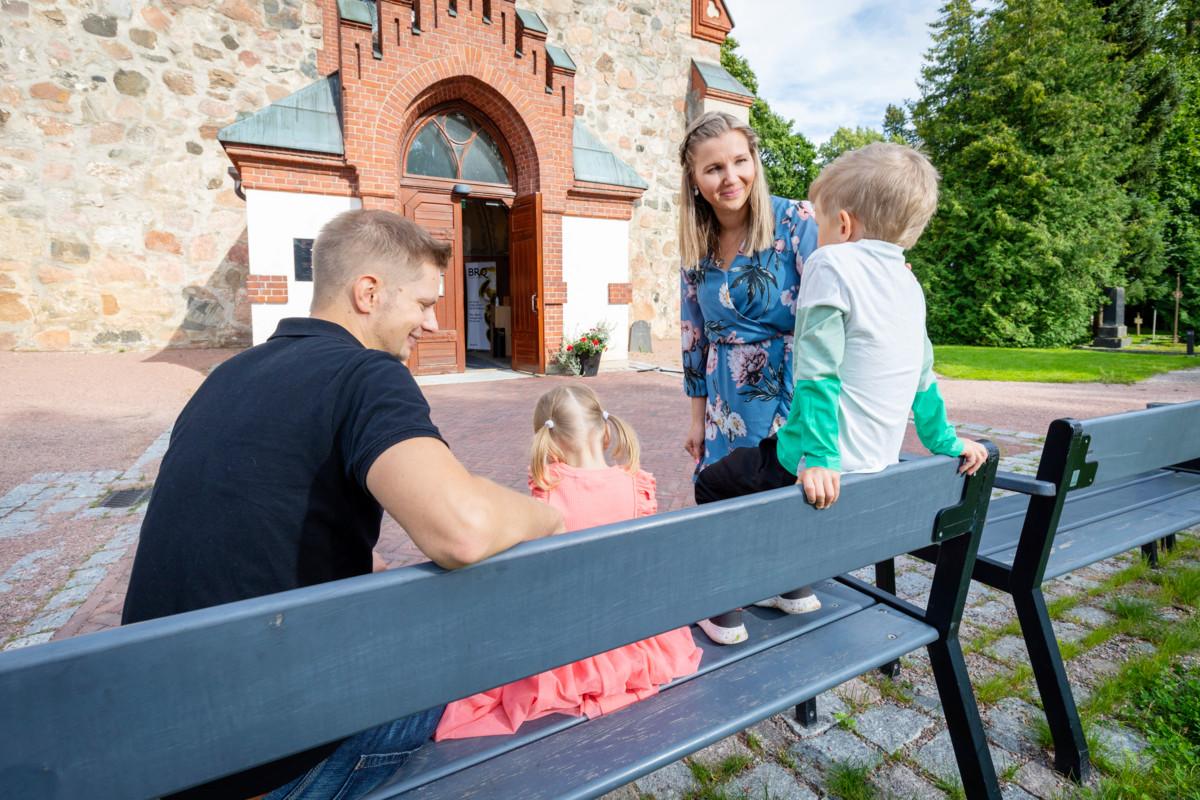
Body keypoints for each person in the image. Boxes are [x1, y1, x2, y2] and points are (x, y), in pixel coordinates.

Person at [120, 210, 564, 800]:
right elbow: (462, 531)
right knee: (478, 626)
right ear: (369, 292)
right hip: (273, 766)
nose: (432, 323)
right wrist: (551, 515)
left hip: (149, 741)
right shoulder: (365, 374)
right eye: (425, 303)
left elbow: (265, 526)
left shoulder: (226, 376)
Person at [694, 142, 990, 643]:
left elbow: (818, 372)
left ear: (846, 226)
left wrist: (818, 457)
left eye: (824, 225)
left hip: (817, 462)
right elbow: (923, 376)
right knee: (769, 487)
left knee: (714, 483)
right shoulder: (908, 283)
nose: (819, 237)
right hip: (876, 466)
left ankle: (724, 610)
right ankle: (791, 586)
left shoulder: (832, 265)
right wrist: (947, 442)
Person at [434, 384, 702, 740]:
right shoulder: (637, 484)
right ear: (605, 430)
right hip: (632, 630)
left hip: (572, 631)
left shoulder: (548, 491)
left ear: (551, 442)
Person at [678, 111, 823, 643]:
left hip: (788, 380)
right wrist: (697, 418)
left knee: (776, 479)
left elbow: (827, 305)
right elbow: (693, 338)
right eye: (713, 168)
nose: (730, 177)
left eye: (741, 161)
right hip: (724, 395)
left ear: (756, 163)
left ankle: (785, 579)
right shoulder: (696, 247)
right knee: (726, 487)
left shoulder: (796, 221)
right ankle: (730, 596)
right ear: (694, 180)